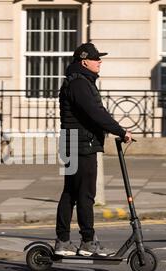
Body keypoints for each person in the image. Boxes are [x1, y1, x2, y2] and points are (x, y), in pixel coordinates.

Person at [55, 43, 132, 256]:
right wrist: (120, 131)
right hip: (81, 146)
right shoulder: (80, 84)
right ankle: (87, 242)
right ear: (84, 61)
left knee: (71, 193)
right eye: (96, 58)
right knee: (85, 195)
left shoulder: (79, 81)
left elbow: (95, 111)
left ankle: (63, 241)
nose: (100, 61)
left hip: (74, 143)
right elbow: (95, 112)